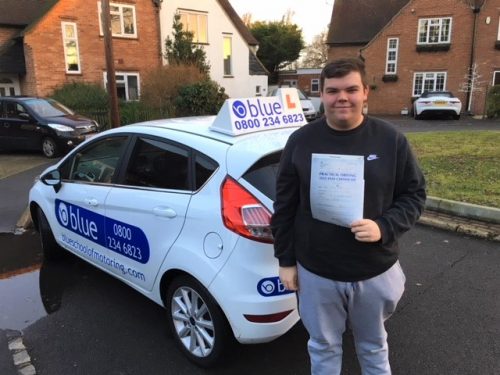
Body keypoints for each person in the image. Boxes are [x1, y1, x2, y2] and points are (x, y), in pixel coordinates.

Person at [271, 58, 426, 374]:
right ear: (323, 95)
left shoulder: (390, 140)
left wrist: (384, 226)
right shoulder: (300, 141)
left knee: (373, 347)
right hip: (316, 272)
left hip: (374, 270)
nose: (342, 97)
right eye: (333, 91)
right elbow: (284, 206)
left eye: (351, 89)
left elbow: (414, 195)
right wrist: (285, 260)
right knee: (323, 348)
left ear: (365, 92)